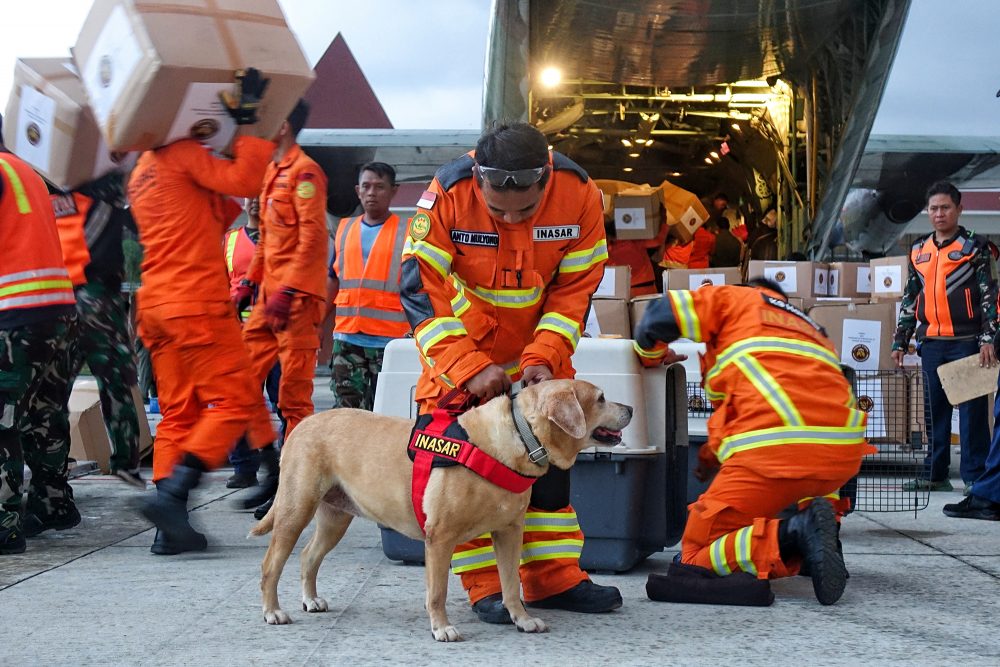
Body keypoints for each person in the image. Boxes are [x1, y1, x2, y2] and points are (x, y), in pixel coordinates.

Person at [399, 121, 622, 624]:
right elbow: (420, 287)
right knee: (466, 476)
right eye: (498, 209)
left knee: (548, 468)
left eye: (525, 210)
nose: (512, 219)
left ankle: (553, 578)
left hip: (538, 357)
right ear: (477, 177)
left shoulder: (580, 194)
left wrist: (542, 356)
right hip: (461, 353)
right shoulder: (447, 195)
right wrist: (466, 366)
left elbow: (574, 292)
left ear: (545, 176)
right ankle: (486, 588)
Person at [633, 278, 874, 605]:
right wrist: (708, 457)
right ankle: (822, 541)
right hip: (840, 457)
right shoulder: (812, 328)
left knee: (694, 556)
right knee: (812, 492)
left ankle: (794, 536)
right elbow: (734, 415)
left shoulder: (734, 300)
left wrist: (650, 355)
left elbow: (658, 315)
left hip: (773, 448)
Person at [127, 68, 277, 555]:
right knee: (233, 402)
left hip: (156, 306)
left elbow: (218, 210)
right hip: (195, 302)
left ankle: (169, 531)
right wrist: (249, 124)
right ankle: (174, 495)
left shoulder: (143, 172)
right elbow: (248, 181)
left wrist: (228, 142)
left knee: (176, 415)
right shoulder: (182, 154)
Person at [235, 99, 328, 511]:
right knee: (238, 383)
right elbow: (269, 241)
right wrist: (248, 285)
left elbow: (312, 238)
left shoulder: (305, 173)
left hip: (295, 303)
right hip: (266, 301)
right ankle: (271, 469)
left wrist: (288, 290)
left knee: (293, 401)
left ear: (284, 124)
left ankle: (292, 490)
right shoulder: (273, 171)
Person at [0, 113, 79, 554]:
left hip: (14, 316)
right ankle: (53, 505)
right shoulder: (25, 171)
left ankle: (4, 524)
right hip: (58, 314)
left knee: (2, 422)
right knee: (44, 415)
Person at [892, 181, 998, 493]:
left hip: (967, 342)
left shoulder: (975, 248)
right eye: (934, 209)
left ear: (959, 209)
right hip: (932, 344)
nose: (939, 214)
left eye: (946, 208)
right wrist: (900, 340)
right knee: (933, 413)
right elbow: (910, 299)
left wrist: (988, 339)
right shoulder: (918, 250)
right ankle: (934, 475)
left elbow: (990, 297)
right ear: (928, 212)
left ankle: (976, 479)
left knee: (972, 416)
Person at [51, 169, 146, 489]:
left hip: (55, 299)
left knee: (53, 392)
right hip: (97, 298)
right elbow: (135, 232)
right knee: (117, 382)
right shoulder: (107, 195)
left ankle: (53, 469)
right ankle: (125, 461)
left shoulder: (52, 194)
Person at [320, 161, 410, 410]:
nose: (372, 193)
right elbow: (333, 280)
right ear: (357, 190)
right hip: (347, 339)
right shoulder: (343, 230)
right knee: (347, 413)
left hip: (390, 344)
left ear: (394, 191)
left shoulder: (408, 232)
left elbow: (420, 288)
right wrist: (318, 322)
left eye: (380, 187)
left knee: (387, 412)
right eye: (367, 186)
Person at [222, 197, 285, 489]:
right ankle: (243, 467)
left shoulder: (282, 238)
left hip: (277, 336)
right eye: (250, 198)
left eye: (262, 197)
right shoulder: (230, 241)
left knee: (283, 402)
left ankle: (285, 466)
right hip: (240, 336)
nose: (256, 203)